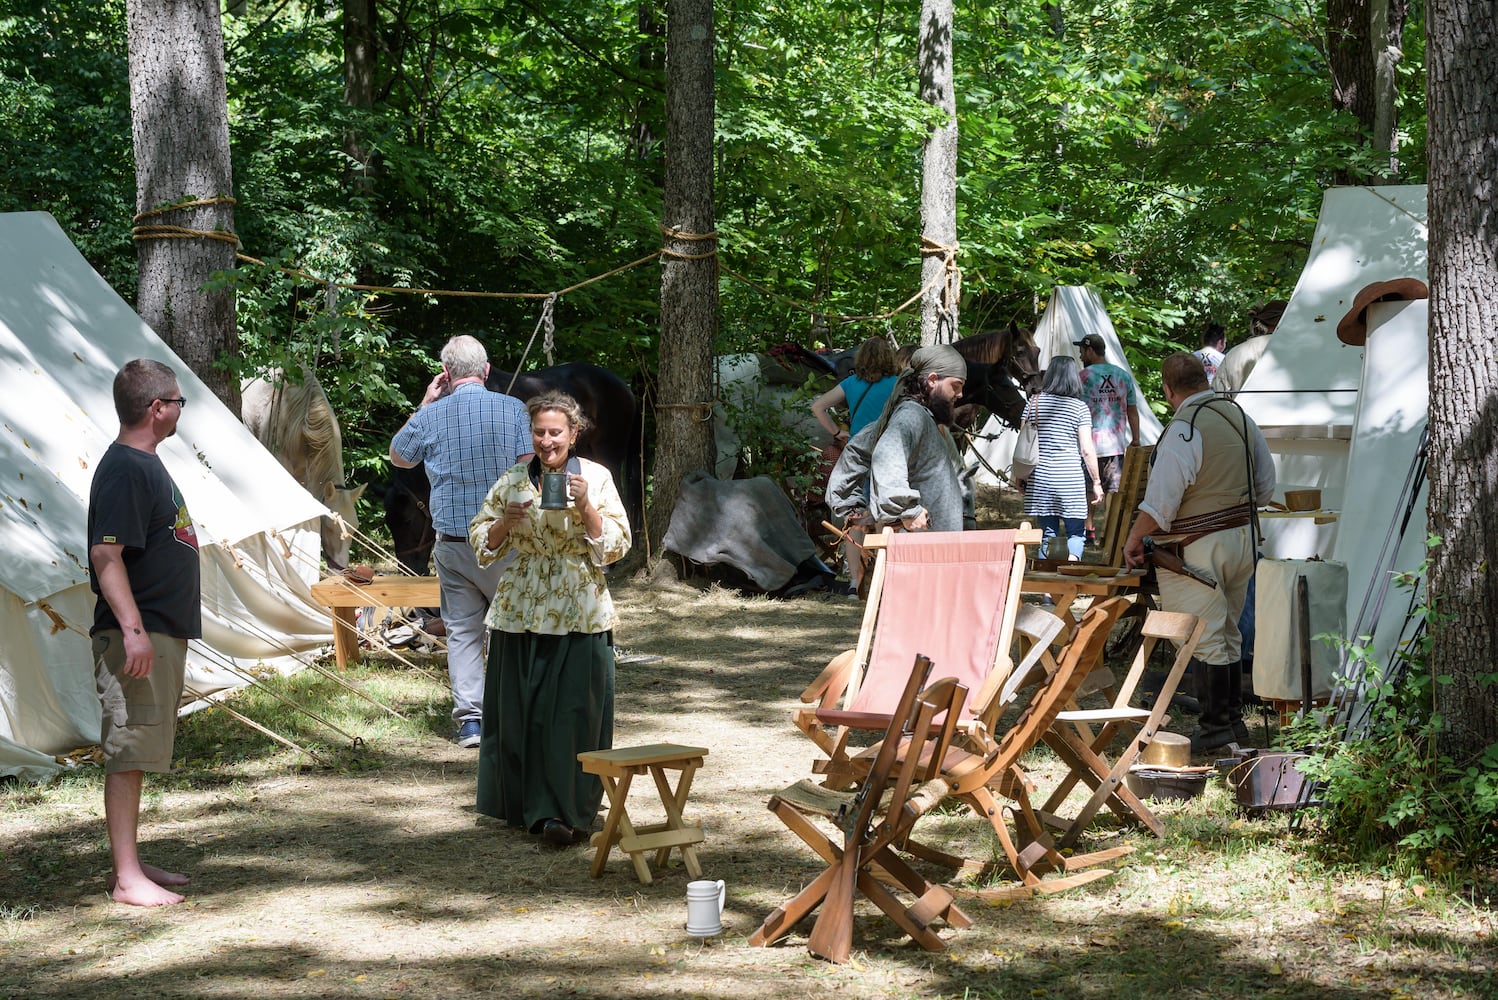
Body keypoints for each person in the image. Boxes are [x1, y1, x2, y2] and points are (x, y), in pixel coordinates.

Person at [470, 391, 631, 846]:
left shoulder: (595, 478)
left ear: (573, 433)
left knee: (573, 712)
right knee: (523, 710)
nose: (546, 440)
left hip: (579, 607)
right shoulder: (514, 480)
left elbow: (619, 544)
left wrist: (585, 507)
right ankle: (527, 808)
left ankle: (568, 810)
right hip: (520, 608)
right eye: (539, 432)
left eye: (555, 432)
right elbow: (481, 542)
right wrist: (507, 521)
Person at [87, 359, 201, 907]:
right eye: (178, 401)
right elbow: (106, 554)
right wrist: (132, 631)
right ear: (157, 409)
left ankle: (129, 860)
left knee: (141, 747)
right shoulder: (127, 468)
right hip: (137, 636)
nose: (181, 409)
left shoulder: (143, 464)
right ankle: (127, 878)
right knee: (129, 749)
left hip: (155, 632)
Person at [1123, 353, 1276, 754]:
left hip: (1197, 547)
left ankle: (1216, 730)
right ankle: (1232, 725)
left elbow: (1161, 502)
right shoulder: (1240, 417)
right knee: (1226, 631)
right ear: (1205, 379)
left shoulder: (1185, 426)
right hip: (1243, 540)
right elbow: (1265, 485)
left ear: (1168, 390)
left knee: (1203, 636)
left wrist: (1134, 539)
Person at [391, 335, 529, 748]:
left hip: (453, 541)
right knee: (517, 628)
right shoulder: (514, 409)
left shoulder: (431, 416)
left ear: (446, 375)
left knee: (463, 632)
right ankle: (517, 712)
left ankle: (471, 722)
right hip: (507, 540)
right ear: (486, 371)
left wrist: (425, 404)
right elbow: (526, 462)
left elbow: (400, 456)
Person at [867, 344, 973, 532]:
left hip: (934, 546)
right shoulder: (912, 415)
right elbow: (886, 458)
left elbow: (859, 446)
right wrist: (908, 511)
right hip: (919, 549)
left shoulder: (921, 416)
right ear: (933, 380)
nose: (960, 394)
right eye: (955, 386)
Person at [1017, 356, 1102, 561]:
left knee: (1048, 535)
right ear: (1074, 378)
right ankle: (1069, 579)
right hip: (1070, 480)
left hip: (1041, 479)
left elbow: (1022, 443)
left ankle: (1047, 589)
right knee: (1076, 533)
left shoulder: (1033, 403)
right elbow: (1087, 450)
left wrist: (1020, 477)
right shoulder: (1079, 408)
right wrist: (1097, 482)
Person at [1075, 333, 1141, 543]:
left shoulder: (1082, 376)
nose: (1080, 354)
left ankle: (1089, 529)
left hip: (1089, 445)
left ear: (1090, 351)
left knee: (1087, 489)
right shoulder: (1122, 375)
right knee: (1114, 491)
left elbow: (1073, 409)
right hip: (1116, 446)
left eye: (1082, 351)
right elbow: (1132, 410)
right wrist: (1136, 438)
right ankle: (1110, 533)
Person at [810, 336, 901, 444]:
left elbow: (817, 407)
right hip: (887, 447)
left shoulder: (850, 382)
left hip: (857, 447)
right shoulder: (898, 383)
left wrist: (837, 432)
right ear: (889, 358)